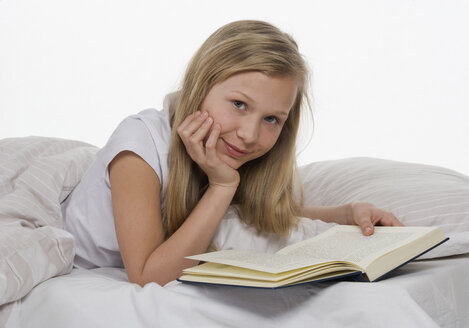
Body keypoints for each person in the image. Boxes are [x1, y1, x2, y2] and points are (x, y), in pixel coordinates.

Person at [61, 20, 402, 287]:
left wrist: (346, 214)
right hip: (82, 259)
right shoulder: (139, 147)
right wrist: (221, 187)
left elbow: (256, 211)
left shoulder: (228, 150)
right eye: (239, 104)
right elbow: (148, 275)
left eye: (271, 119)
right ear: (201, 85)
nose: (249, 135)